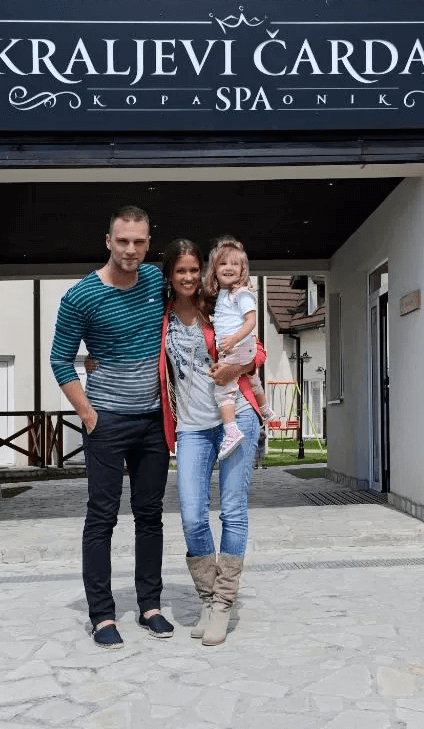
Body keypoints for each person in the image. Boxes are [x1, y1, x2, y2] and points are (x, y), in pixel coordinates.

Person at [50, 205, 174, 650]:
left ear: (148, 242)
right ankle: (102, 615)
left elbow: (197, 296)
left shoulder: (157, 281)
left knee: (150, 516)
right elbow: (60, 360)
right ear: (108, 241)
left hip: (152, 421)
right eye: (123, 240)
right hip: (106, 421)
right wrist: (89, 416)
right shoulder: (81, 297)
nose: (130, 249)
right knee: (101, 517)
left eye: (139, 241)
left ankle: (150, 606)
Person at [159, 238, 266, 646]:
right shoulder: (162, 315)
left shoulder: (217, 303)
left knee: (233, 511)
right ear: (170, 275)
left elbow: (257, 350)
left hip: (236, 414)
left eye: (193, 269)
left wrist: (235, 368)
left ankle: (222, 603)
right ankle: (206, 596)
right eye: (180, 270)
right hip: (191, 426)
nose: (188, 277)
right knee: (191, 515)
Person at [202, 237, 275, 461]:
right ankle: (266, 409)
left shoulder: (241, 294)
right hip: (242, 347)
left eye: (235, 264)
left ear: (243, 269)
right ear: (214, 270)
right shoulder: (224, 295)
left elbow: (251, 322)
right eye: (223, 263)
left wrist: (233, 340)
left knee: (223, 390)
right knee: (254, 379)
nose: (229, 268)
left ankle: (231, 430)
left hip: (239, 346)